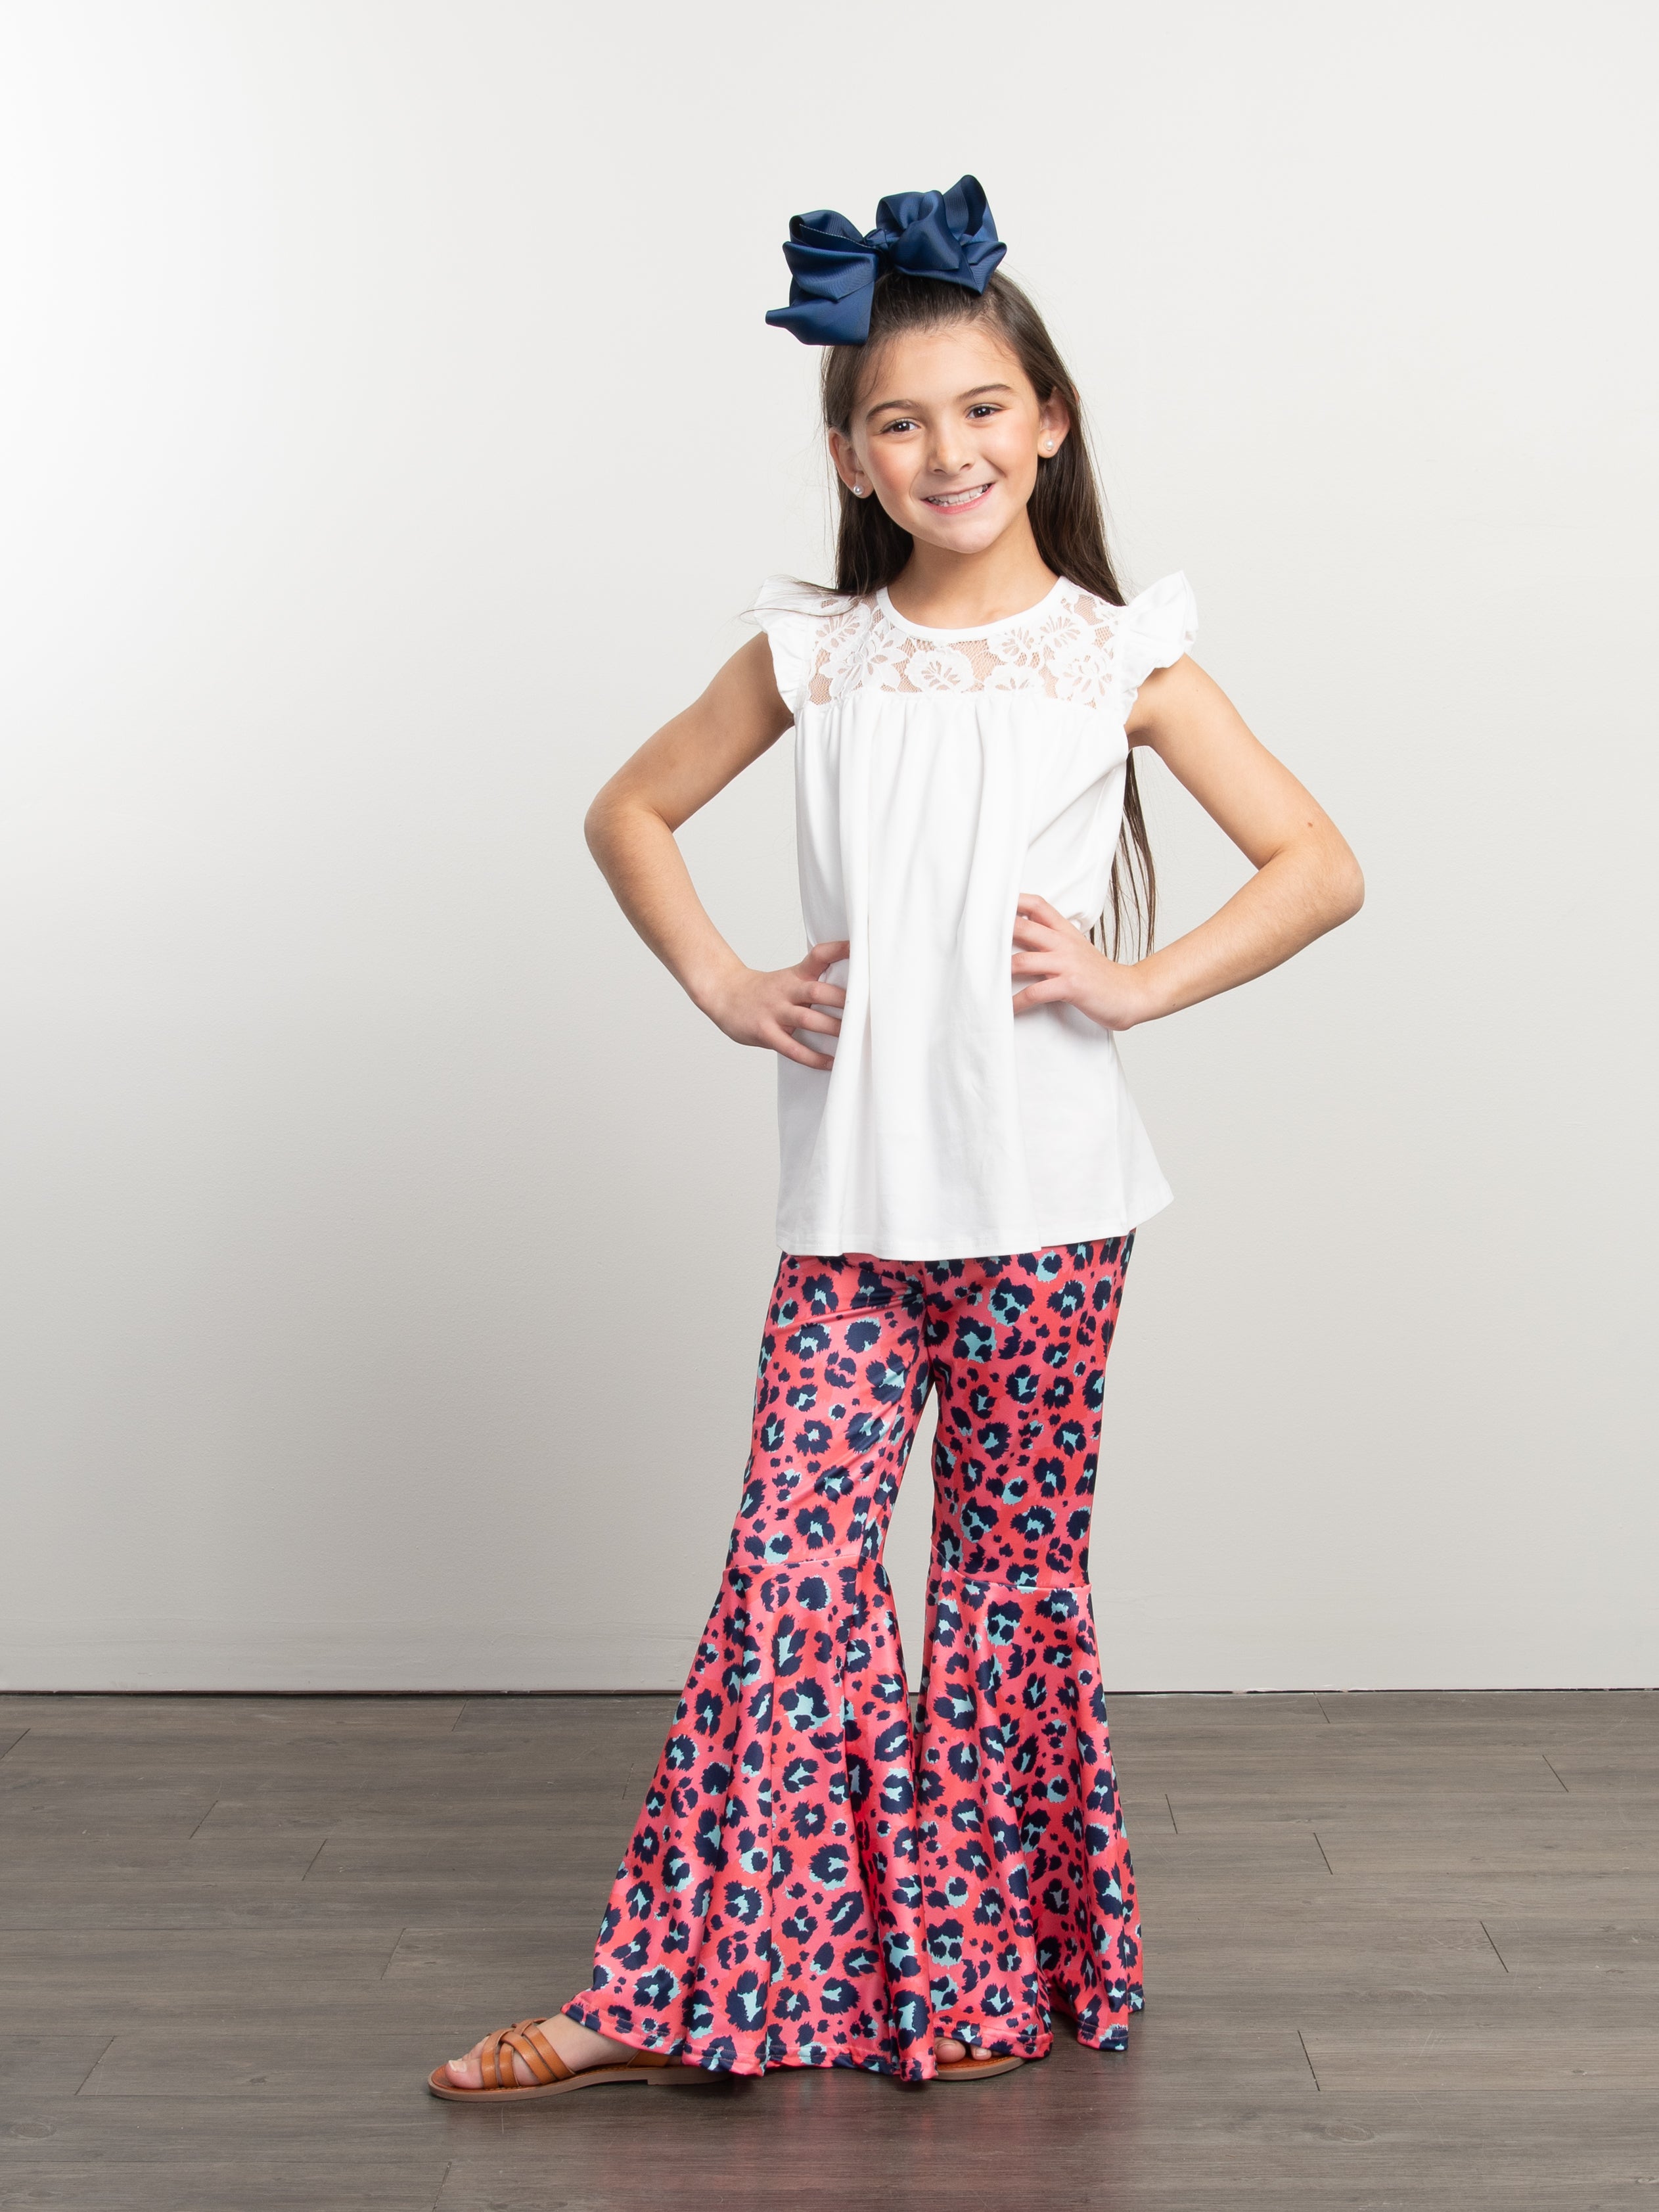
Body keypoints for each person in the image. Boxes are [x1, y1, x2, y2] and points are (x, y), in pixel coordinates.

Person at [429, 177, 1362, 2103]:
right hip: (853, 1215)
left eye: (983, 408)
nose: (949, 451)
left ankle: (979, 1987)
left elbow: (1318, 864)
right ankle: (658, 1997)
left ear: (1052, 421)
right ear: (853, 455)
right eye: (901, 421)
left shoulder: (1116, 655)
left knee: (1006, 1596)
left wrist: (1134, 984)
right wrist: (721, 981)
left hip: (1052, 1213)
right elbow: (628, 810)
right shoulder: (820, 653)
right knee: (794, 1585)